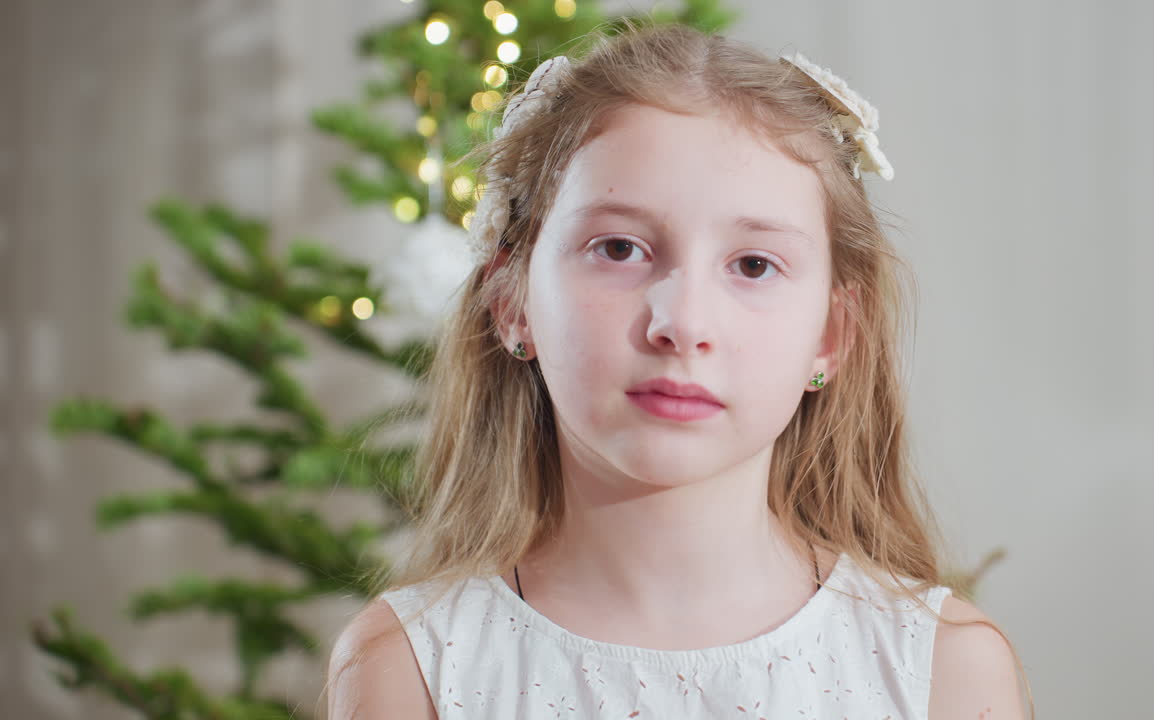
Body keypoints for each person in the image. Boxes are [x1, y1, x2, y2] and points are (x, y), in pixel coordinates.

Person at [327, 19, 1033, 720]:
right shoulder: (411, 667)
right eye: (619, 249)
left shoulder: (943, 670)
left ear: (830, 333)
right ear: (511, 302)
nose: (684, 323)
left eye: (753, 265)